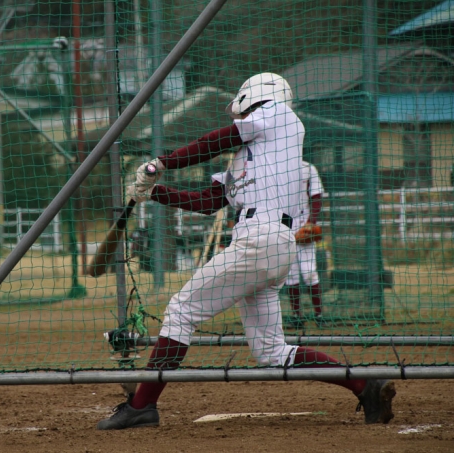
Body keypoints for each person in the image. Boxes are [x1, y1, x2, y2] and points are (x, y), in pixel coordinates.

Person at [96, 73, 396, 430]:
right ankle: (365, 386)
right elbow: (209, 202)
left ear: (252, 97)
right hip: (267, 244)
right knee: (271, 351)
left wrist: (161, 162)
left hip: (262, 237)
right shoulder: (250, 156)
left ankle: (142, 406)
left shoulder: (279, 115)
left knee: (181, 310)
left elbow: (215, 140)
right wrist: (153, 192)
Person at [286, 161, 325, 329]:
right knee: (290, 275)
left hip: (303, 221)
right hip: (283, 224)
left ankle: (319, 314)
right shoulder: (276, 167)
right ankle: (297, 316)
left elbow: (316, 197)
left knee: (309, 273)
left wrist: (311, 222)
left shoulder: (308, 167)